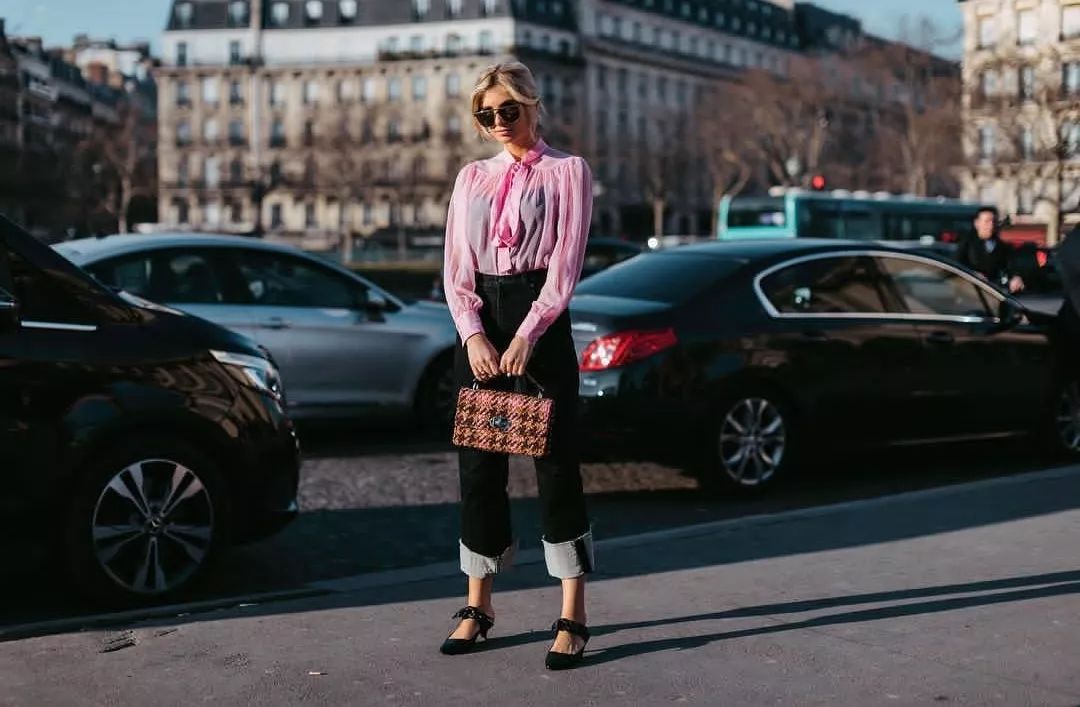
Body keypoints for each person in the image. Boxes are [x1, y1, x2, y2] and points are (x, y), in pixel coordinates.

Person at [439, 62, 594, 670]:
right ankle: (478, 605)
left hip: (541, 329)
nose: (499, 122)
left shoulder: (568, 172)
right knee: (479, 470)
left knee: (556, 469)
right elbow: (456, 269)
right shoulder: (471, 177)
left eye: (509, 110)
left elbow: (565, 266)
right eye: (486, 114)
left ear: (533, 105)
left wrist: (530, 331)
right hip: (480, 328)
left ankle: (572, 615)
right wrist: (473, 334)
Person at [956, 207, 1026, 294]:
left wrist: (1016, 277)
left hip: (993, 292)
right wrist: (972, 274)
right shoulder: (967, 243)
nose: (991, 225)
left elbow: (1010, 266)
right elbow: (957, 265)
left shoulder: (1002, 246)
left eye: (994, 221)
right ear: (977, 223)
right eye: (987, 221)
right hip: (969, 292)